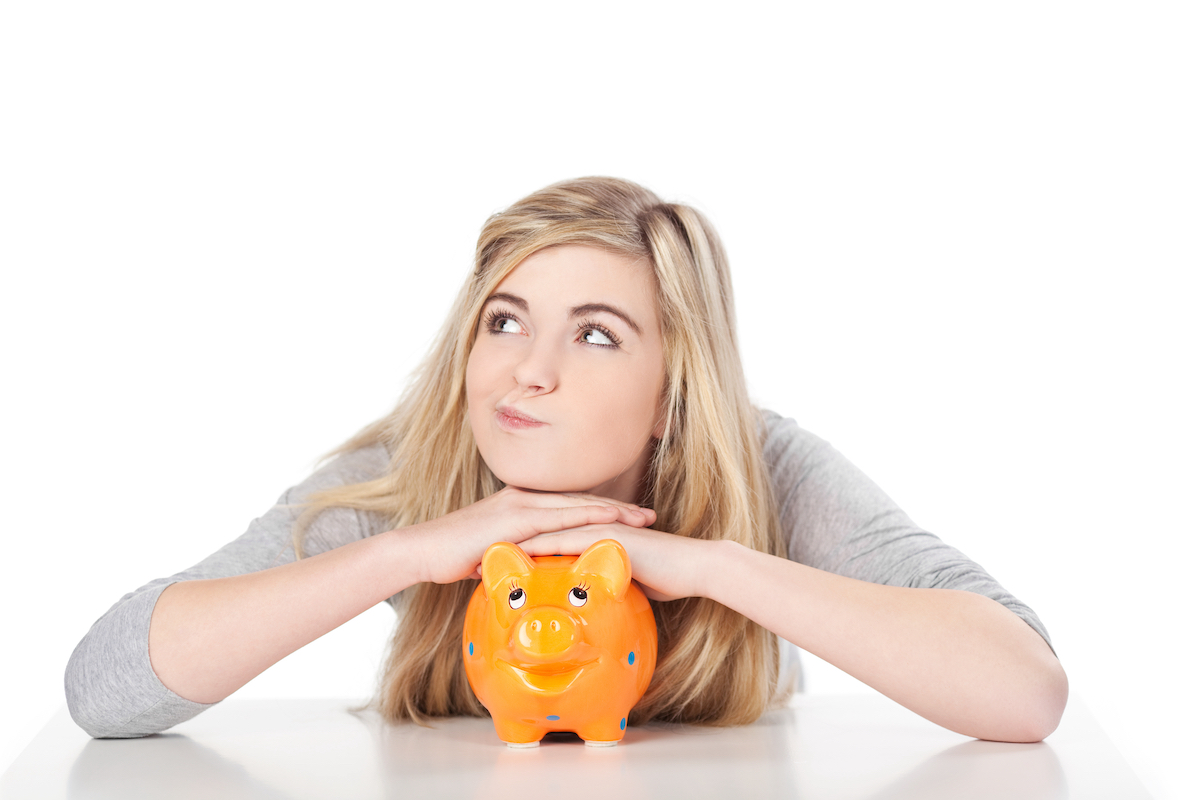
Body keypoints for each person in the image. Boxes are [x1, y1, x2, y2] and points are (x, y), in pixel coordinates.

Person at [65, 177, 1067, 743]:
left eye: (594, 334)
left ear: (676, 387)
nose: (526, 372)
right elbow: (103, 689)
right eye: (505, 320)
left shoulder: (766, 466)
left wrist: (710, 564)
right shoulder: (410, 472)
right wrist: (406, 552)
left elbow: (1025, 691)